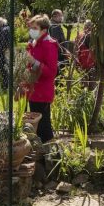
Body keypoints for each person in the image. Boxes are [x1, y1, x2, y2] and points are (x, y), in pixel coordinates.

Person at [25, 14, 58, 143]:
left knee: (44, 127)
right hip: (33, 91)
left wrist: (34, 63)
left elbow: (51, 72)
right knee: (36, 127)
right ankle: (40, 154)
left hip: (42, 93)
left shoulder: (49, 45)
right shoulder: (35, 43)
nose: (31, 30)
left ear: (43, 30)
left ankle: (51, 155)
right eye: (31, 27)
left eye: (34, 28)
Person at [49, 9, 67, 75]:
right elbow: (55, 41)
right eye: (60, 16)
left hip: (54, 54)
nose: (62, 17)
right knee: (59, 74)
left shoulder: (51, 24)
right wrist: (64, 51)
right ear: (54, 16)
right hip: (58, 54)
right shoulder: (54, 26)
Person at [0, 17, 10, 90]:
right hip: (8, 50)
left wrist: (1, 50)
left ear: (0, 23)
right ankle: (8, 83)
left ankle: (6, 84)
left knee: (3, 67)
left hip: (3, 51)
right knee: (8, 66)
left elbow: (2, 42)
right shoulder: (8, 28)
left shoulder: (2, 30)